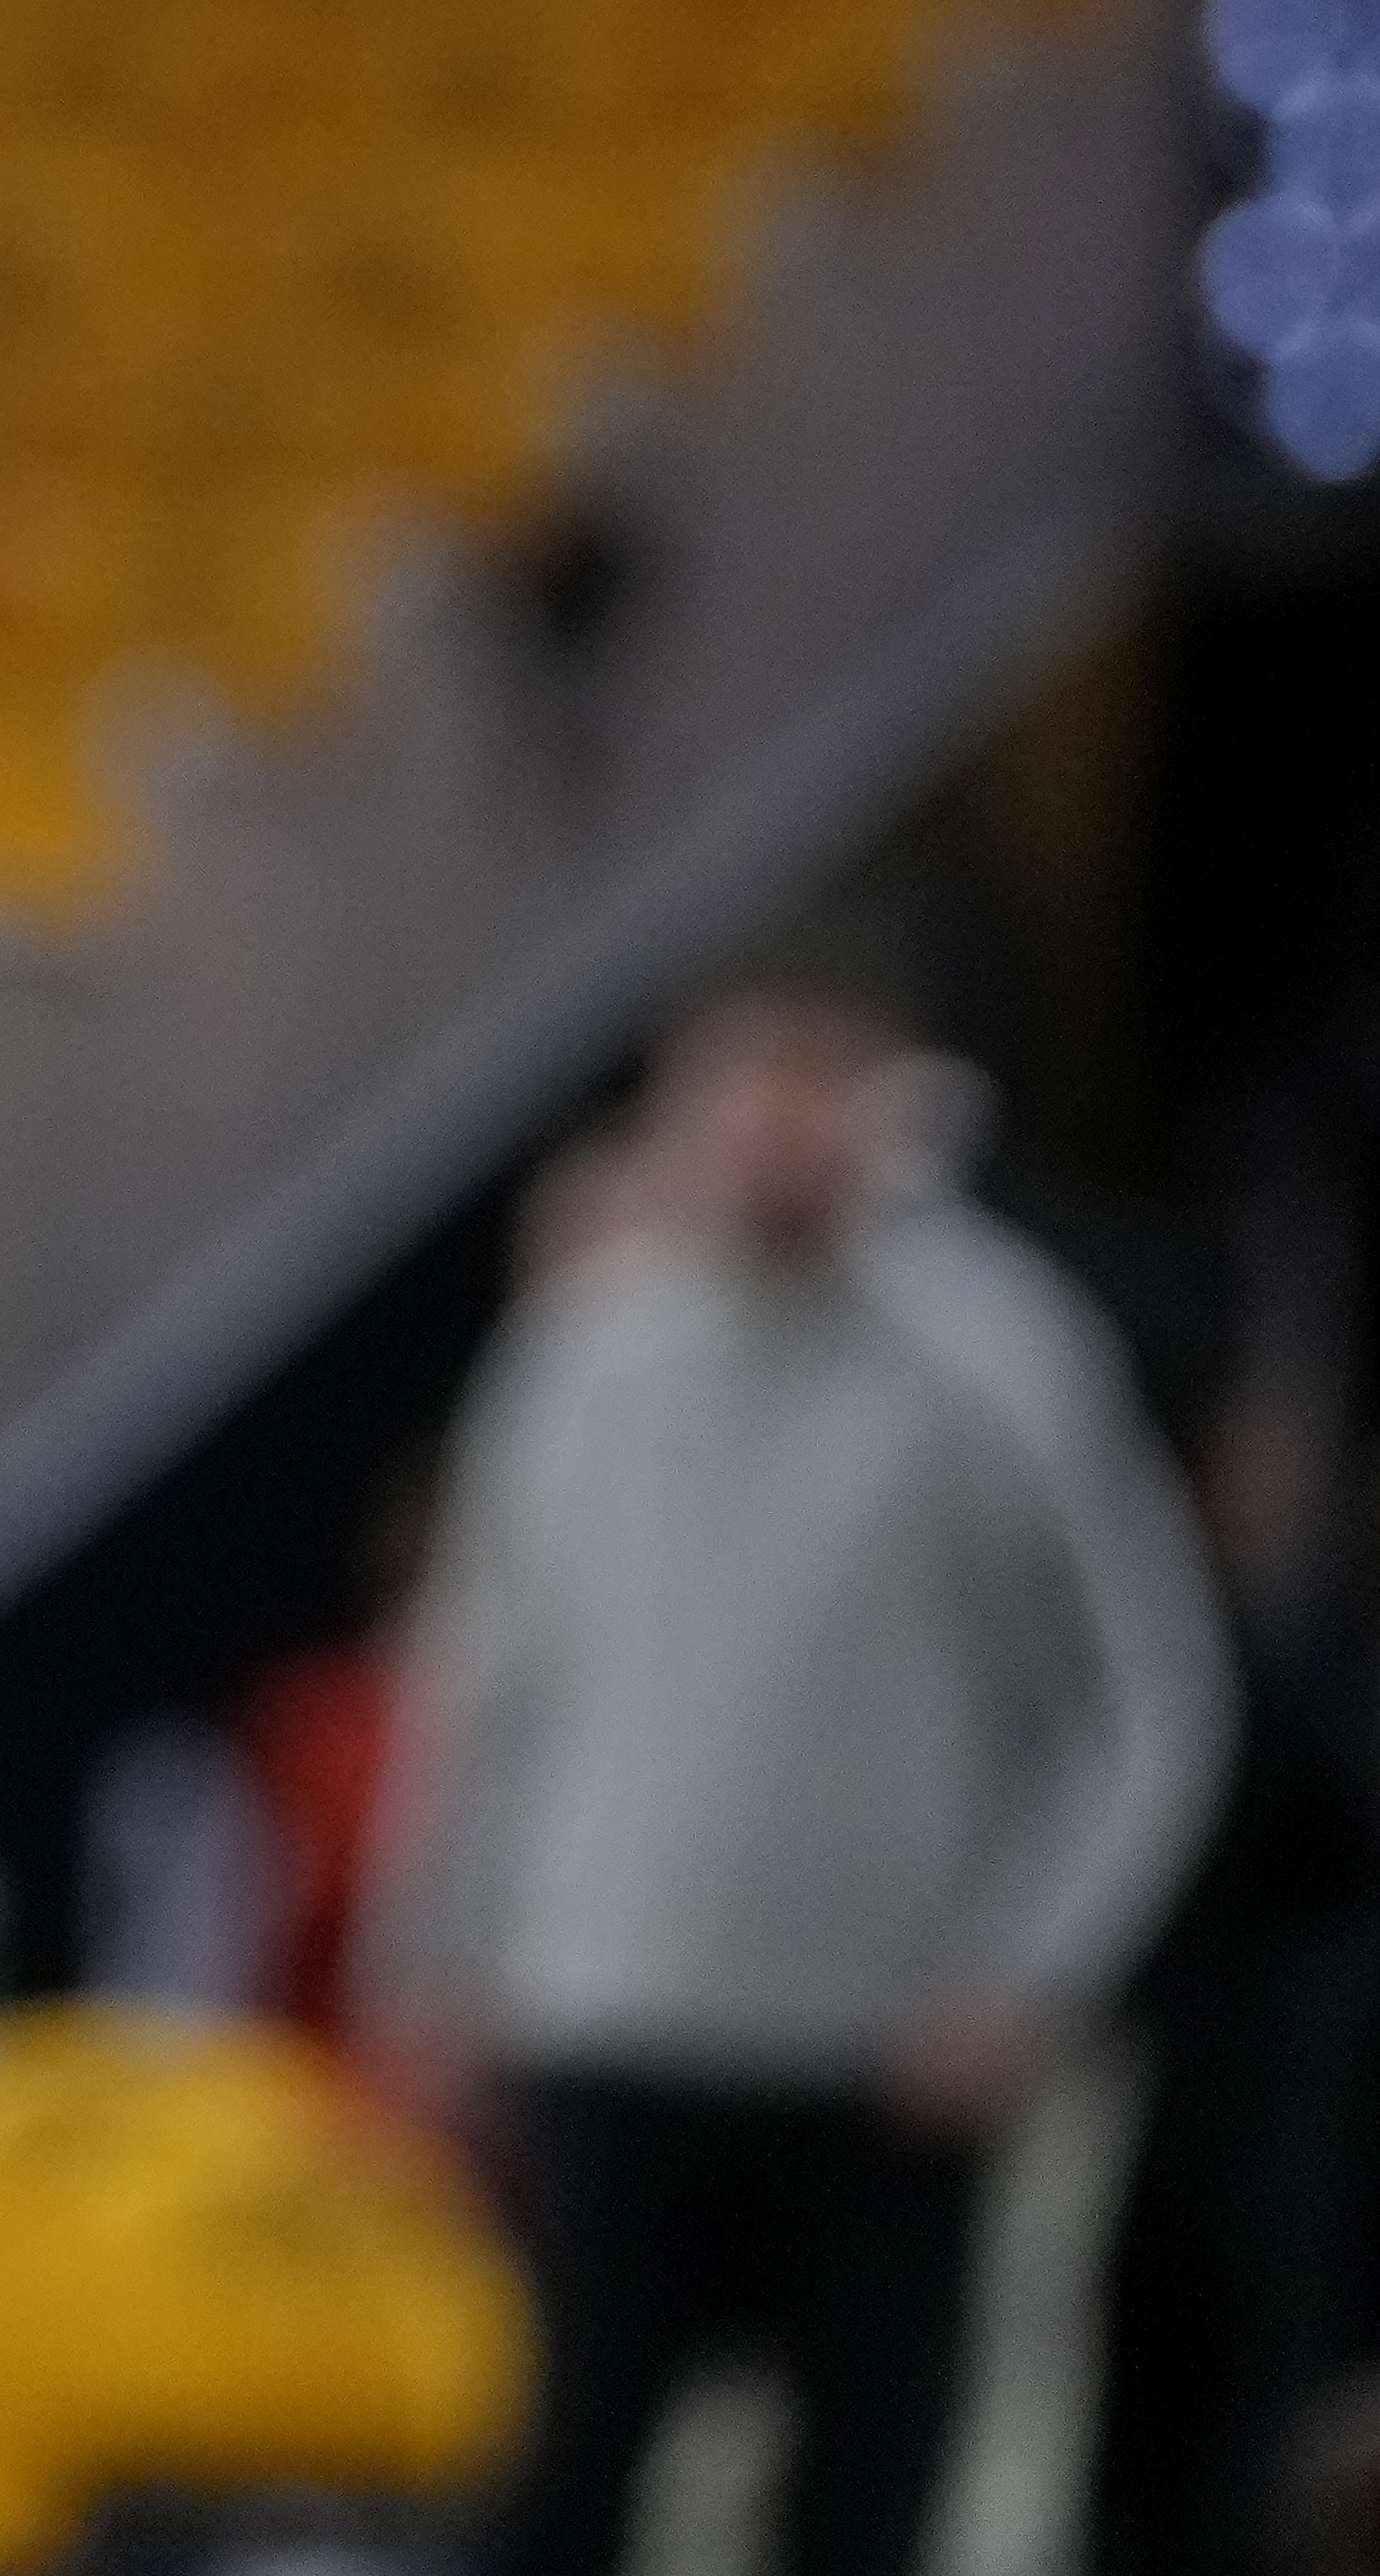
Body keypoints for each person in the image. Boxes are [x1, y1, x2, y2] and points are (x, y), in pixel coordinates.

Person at [363, 992, 1236, 2576]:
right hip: (605, 2020)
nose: (777, 1124)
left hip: (871, 2059)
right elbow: (483, 1674)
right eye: (747, 1081)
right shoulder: (591, 1342)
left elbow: (1155, 1700)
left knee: (859, 2506)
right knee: (553, 2492)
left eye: (818, 1081)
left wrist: (1029, 1972)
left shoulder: (996, 1352)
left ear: (893, 1105)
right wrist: (424, 1953)